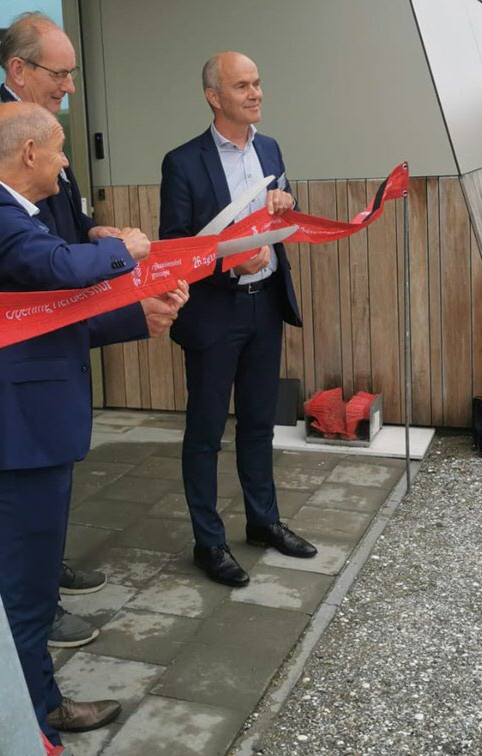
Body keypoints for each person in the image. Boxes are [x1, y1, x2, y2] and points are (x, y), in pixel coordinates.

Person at [0, 101, 188, 744]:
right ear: (28, 153)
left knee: (31, 589)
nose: (66, 163)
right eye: (58, 149)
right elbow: (61, 273)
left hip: (34, 426)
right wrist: (129, 251)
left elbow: (50, 318)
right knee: (26, 598)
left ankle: (34, 708)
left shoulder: (17, 217)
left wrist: (142, 318)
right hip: (18, 431)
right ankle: (24, 723)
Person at [0, 11, 175, 647]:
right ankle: (35, 608)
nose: (70, 87)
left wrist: (93, 236)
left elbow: (55, 228)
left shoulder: (41, 134)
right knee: (29, 490)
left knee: (46, 483)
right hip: (26, 350)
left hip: (55, 332)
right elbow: (26, 257)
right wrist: (111, 259)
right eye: (61, 74)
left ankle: (42, 575)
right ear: (18, 70)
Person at [159, 51, 317, 588]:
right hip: (214, 313)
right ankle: (209, 542)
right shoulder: (182, 163)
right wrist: (227, 265)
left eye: (257, 83)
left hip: (265, 304)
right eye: (242, 85)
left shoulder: (269, 148)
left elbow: (281, 216)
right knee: (205, 432)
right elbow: (179, 249)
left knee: (257, 424)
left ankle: (263, 522)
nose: (256, 93)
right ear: (214, 96)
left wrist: (285, 205)